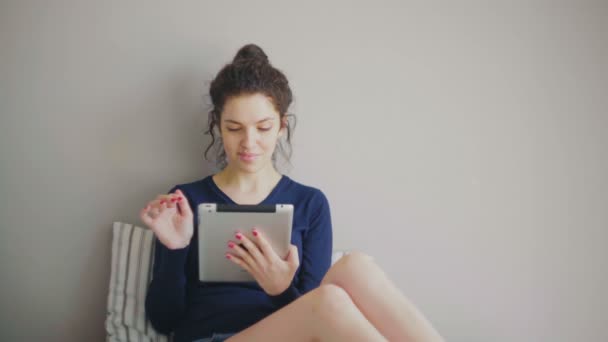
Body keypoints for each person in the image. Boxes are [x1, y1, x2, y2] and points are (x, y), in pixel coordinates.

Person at [140, 44, 444, 342]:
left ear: (281, 127)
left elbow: (320, 324)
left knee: (356, 266)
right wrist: (176, 248)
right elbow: (165, 320)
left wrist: (280, 289)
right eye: (234, 128)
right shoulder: (185, 200)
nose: (249, 142)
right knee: (328, 301)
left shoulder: (310, 203)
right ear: (218, 126)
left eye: (263, 127)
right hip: (209, 336)